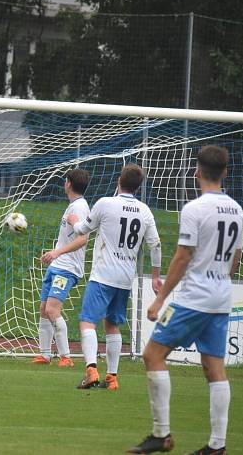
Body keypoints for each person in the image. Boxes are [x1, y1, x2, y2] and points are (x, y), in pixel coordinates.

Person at [128, 146, 243, 455]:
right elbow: (236, 257)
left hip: (194, 299)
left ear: (196, 171)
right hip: (220, 298)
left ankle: (161, 435)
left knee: (153, 354)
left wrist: (160, 300)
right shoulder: (237, 210)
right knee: (214, 367)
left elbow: (183, 257)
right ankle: (217, 445)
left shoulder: (194, 209)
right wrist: (220, 278)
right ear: (225, 172)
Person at [68, 163, 161, 390]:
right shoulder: (145, 211)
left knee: (88, 320)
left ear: (119, 181)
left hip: (102, 275)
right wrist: (156, 277)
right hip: (125, 278)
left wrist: (73, 222)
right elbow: (156, 245)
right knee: (112, 324)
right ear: (138, 187)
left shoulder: (105, 203)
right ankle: (112, 377)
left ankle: (91, 370)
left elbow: (83, 229)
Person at [32, 168, 91, 367]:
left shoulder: (80, 208)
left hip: (67, 269)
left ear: (68, 184)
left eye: (65, 180)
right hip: (58, 265)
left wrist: (57, 253)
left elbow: (83, 239)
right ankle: (45, 354)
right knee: (43, 309)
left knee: (52, 309)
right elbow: (70, 237)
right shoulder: (73, 206)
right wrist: (54, 251)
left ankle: (66, 357)